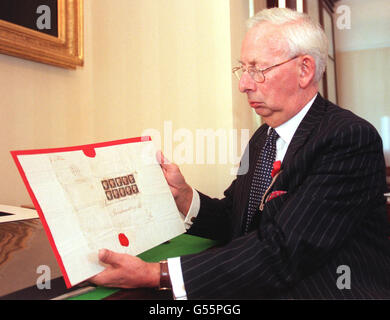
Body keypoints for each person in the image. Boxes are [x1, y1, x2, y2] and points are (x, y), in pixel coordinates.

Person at [90, 8, 390, 299]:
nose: (244, 85)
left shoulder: (348, 137)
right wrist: (183, 196)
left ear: (304, 69)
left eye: (257, 70)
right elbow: (238, 220)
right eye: (243, 69)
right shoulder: (264, 136)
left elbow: (285, 250)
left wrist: (157, 274)